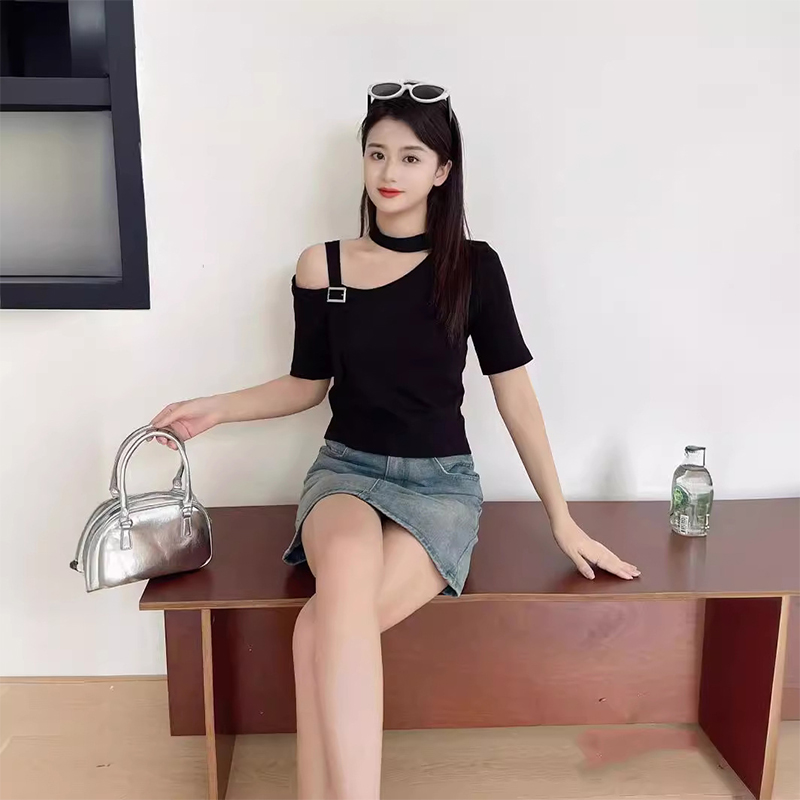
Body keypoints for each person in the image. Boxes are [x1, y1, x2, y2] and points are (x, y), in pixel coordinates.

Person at [147, 80, 641, 800]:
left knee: (317, 633)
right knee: (346, 562)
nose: (389, 172)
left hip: (441, 485)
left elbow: (516, 398)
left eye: (411, 158)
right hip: (345, 472)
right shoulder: (322, 267)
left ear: (442, 171)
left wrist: (561, 520)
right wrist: (215, 409)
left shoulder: (474, 267)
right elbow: (306, 386)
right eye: (376, 153)